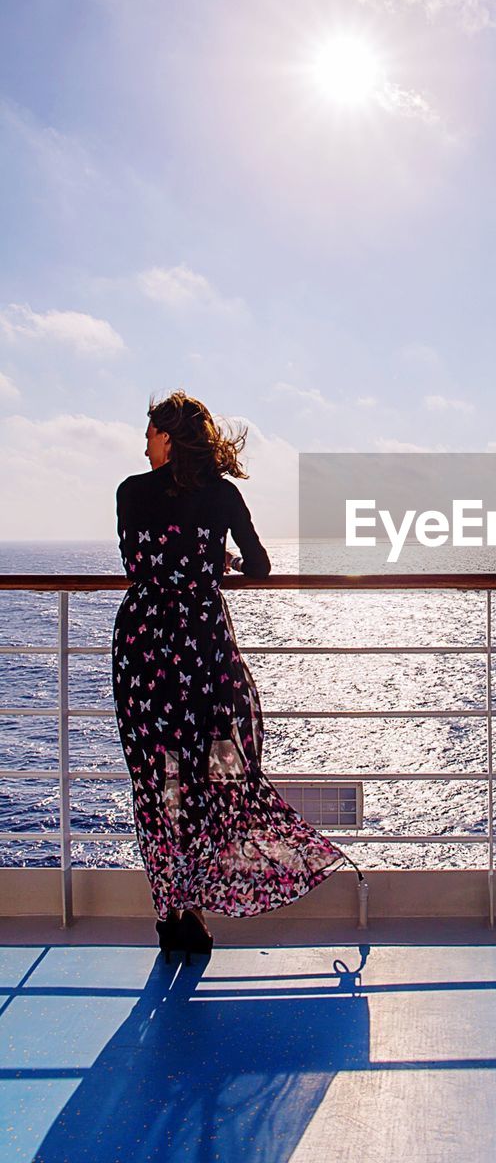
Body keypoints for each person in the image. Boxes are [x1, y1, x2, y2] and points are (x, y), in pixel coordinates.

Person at [112, 390, 359, 960]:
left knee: (158, 777)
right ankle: (200, 903)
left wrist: (185, 565)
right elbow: (262, 565)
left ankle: (171, 910)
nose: (143, 444)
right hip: (201, 646)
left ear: (168, 439)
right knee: (215, 769)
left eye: (149, 433)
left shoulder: (130, 493)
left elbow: (138, 565)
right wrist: (216, 564)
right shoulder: (222, 495)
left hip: (145, 646)